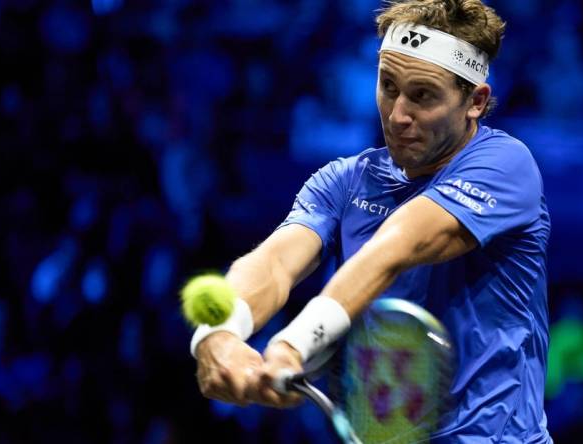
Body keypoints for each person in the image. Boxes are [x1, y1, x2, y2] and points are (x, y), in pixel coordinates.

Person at [191, 0, 552, 442]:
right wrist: (221, 334)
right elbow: (274, 262)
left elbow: (396, 248)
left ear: (475, 102)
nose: (398, 115)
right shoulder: (344, 180)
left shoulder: (505, 164)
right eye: (388, 86)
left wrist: (292, 344)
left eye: (423, 96)